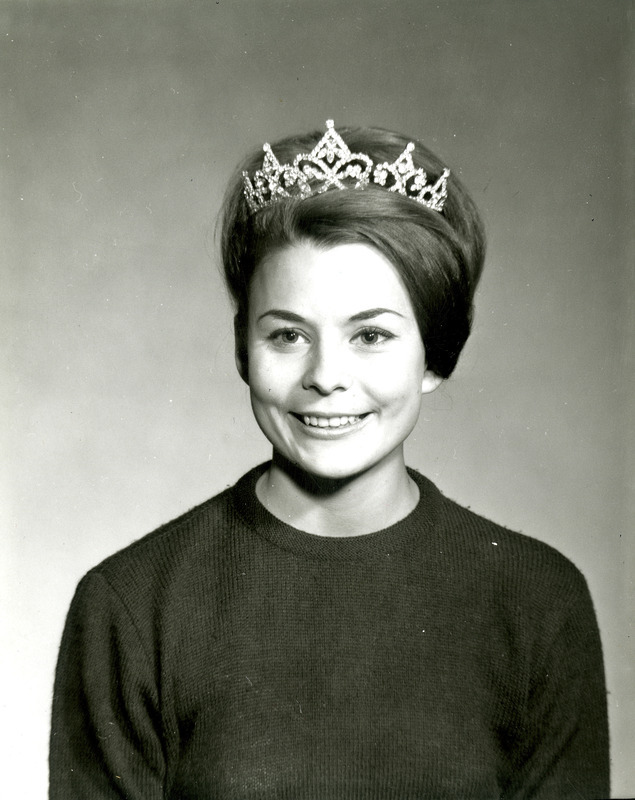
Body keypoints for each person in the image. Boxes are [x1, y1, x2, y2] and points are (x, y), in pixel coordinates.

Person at [49, 120, 609, 799]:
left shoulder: (535, 601)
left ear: (434, 354)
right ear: (241, 351)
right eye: (287, 335)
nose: (325, 376)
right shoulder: (133, 605)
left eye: (370, 335)